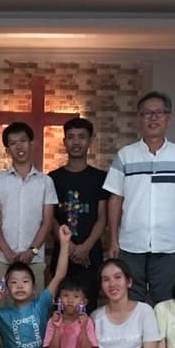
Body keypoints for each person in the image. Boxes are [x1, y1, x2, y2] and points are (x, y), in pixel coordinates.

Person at [105, 91, 175, 304]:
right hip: (130, 244)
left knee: (166, 303)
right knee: (130, 302)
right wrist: (113, 239)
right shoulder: (125, 155)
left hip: (168, 244)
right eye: (147, 113)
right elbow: (115, 198)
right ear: (139, 118)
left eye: (158, 113)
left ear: (168, 118)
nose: (153, 118)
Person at [0, 121, 58, 291]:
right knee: (2, 303)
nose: (19, 146)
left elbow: (47, 222)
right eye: (12, 143)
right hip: (5, 259)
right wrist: (8, 252)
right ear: (7, 150)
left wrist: (32, 251)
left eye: (23, 141)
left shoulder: (45, 182)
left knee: (34, 305)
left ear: (32, 144)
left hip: (35, 260)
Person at [49, 117, 109, 309]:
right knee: (61, 308)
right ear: (64, 141)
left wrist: (85, 247)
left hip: (91, 256)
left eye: (81, 137)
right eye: (71, 137)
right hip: (62, 254)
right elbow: (50, 218)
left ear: (90, 140)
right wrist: (69, 247)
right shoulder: (53, 178)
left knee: (87, 309)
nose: (76, 142)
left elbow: (102, 217)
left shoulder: (100, 178)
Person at [0, 225, 72, 348]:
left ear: (34, 287)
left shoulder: (41, 304)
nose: (19, 286)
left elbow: (59, 275)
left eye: (25, 281)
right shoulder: (1, 315)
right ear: (7, 289)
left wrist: (65, 243)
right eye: (14, 282)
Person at [44, 277, 101, 348]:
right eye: (65, 295)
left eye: (76, 296)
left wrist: (83, 328)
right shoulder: (52, 322)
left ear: (84, 302)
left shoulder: (87, 322)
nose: (70, 300)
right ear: (59, 300)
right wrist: (57, 328)